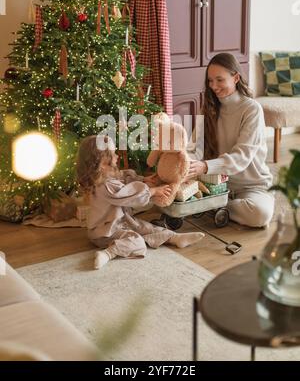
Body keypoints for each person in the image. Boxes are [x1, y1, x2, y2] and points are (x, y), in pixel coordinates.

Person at [77, 136, 204, 269]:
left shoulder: (105, 175)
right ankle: (108, 253)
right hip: (104, 232)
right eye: (113, 154)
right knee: (137, 241)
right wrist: (153, 191)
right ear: (102, 164)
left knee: (146, 227)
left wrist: (144, 180)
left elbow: (124, 178)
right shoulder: (104, 186)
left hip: (120, 221)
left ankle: (174, 238)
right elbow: (129, 194)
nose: (117, 156)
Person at [187, 53, 274, 228]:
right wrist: (183, 160)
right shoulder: (209, 108)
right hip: (215, 184)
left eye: (219, 80)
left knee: (260, 215)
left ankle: (213, 207)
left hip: (251, 187)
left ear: (235, 78)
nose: (214, 86)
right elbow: (195, 149)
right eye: (210, 81)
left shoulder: (251, 109)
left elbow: (241, 157)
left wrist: (205, 166)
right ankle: (214, 205)